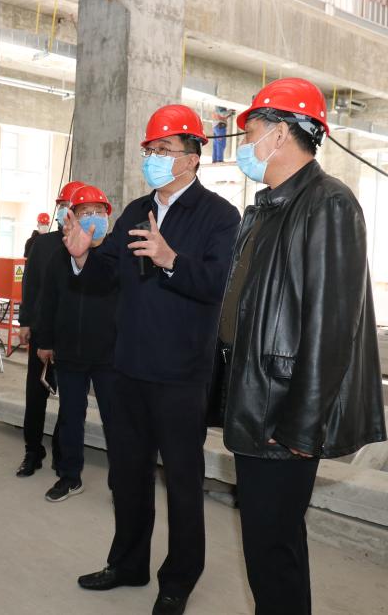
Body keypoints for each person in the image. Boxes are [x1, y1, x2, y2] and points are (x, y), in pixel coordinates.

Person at [216, 77, 387, 615]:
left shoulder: (329, 203)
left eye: (252, 132)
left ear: (282, 133)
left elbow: (332, 327)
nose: (246, 145)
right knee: (267, 544)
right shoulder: (268, 208)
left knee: (273, 549)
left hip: (282, 414)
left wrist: (301, 427)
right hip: (256, 401)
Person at [65, 104, 240, 615]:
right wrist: (83, 255)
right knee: (128, 475)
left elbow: (219, 285)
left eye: (164, 149)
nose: (154, 158)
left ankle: (178, 579)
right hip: (127, 369)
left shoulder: (218, 215)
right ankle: (127, 563)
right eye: (150, 149)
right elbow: (107, 276)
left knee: (182, 482)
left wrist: (170, 260)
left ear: (192, 158)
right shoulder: (135, 211)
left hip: (181, 374)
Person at [34, 184, 118, 503]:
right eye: (85, 212)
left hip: (110, 354)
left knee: (116, 419)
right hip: (70, 351)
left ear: (108, 216)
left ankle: (121, 481)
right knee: (70, 416)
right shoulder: (60, 257)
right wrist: (45, 341)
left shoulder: (117, 254)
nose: (92, 217)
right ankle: (70, 477)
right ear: (72, 217)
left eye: (98, 211)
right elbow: (48, 302)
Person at [15, 180, 86, 477]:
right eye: (63, 206)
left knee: (71, 399)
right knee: (36, 395)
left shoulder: (92, 246)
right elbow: (30, 285)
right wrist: (25, 322)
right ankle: (33, 451)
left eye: (72, 207)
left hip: (74, 335)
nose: (65, 212)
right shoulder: (43, 245)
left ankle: (61, 450)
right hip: (42, 331)